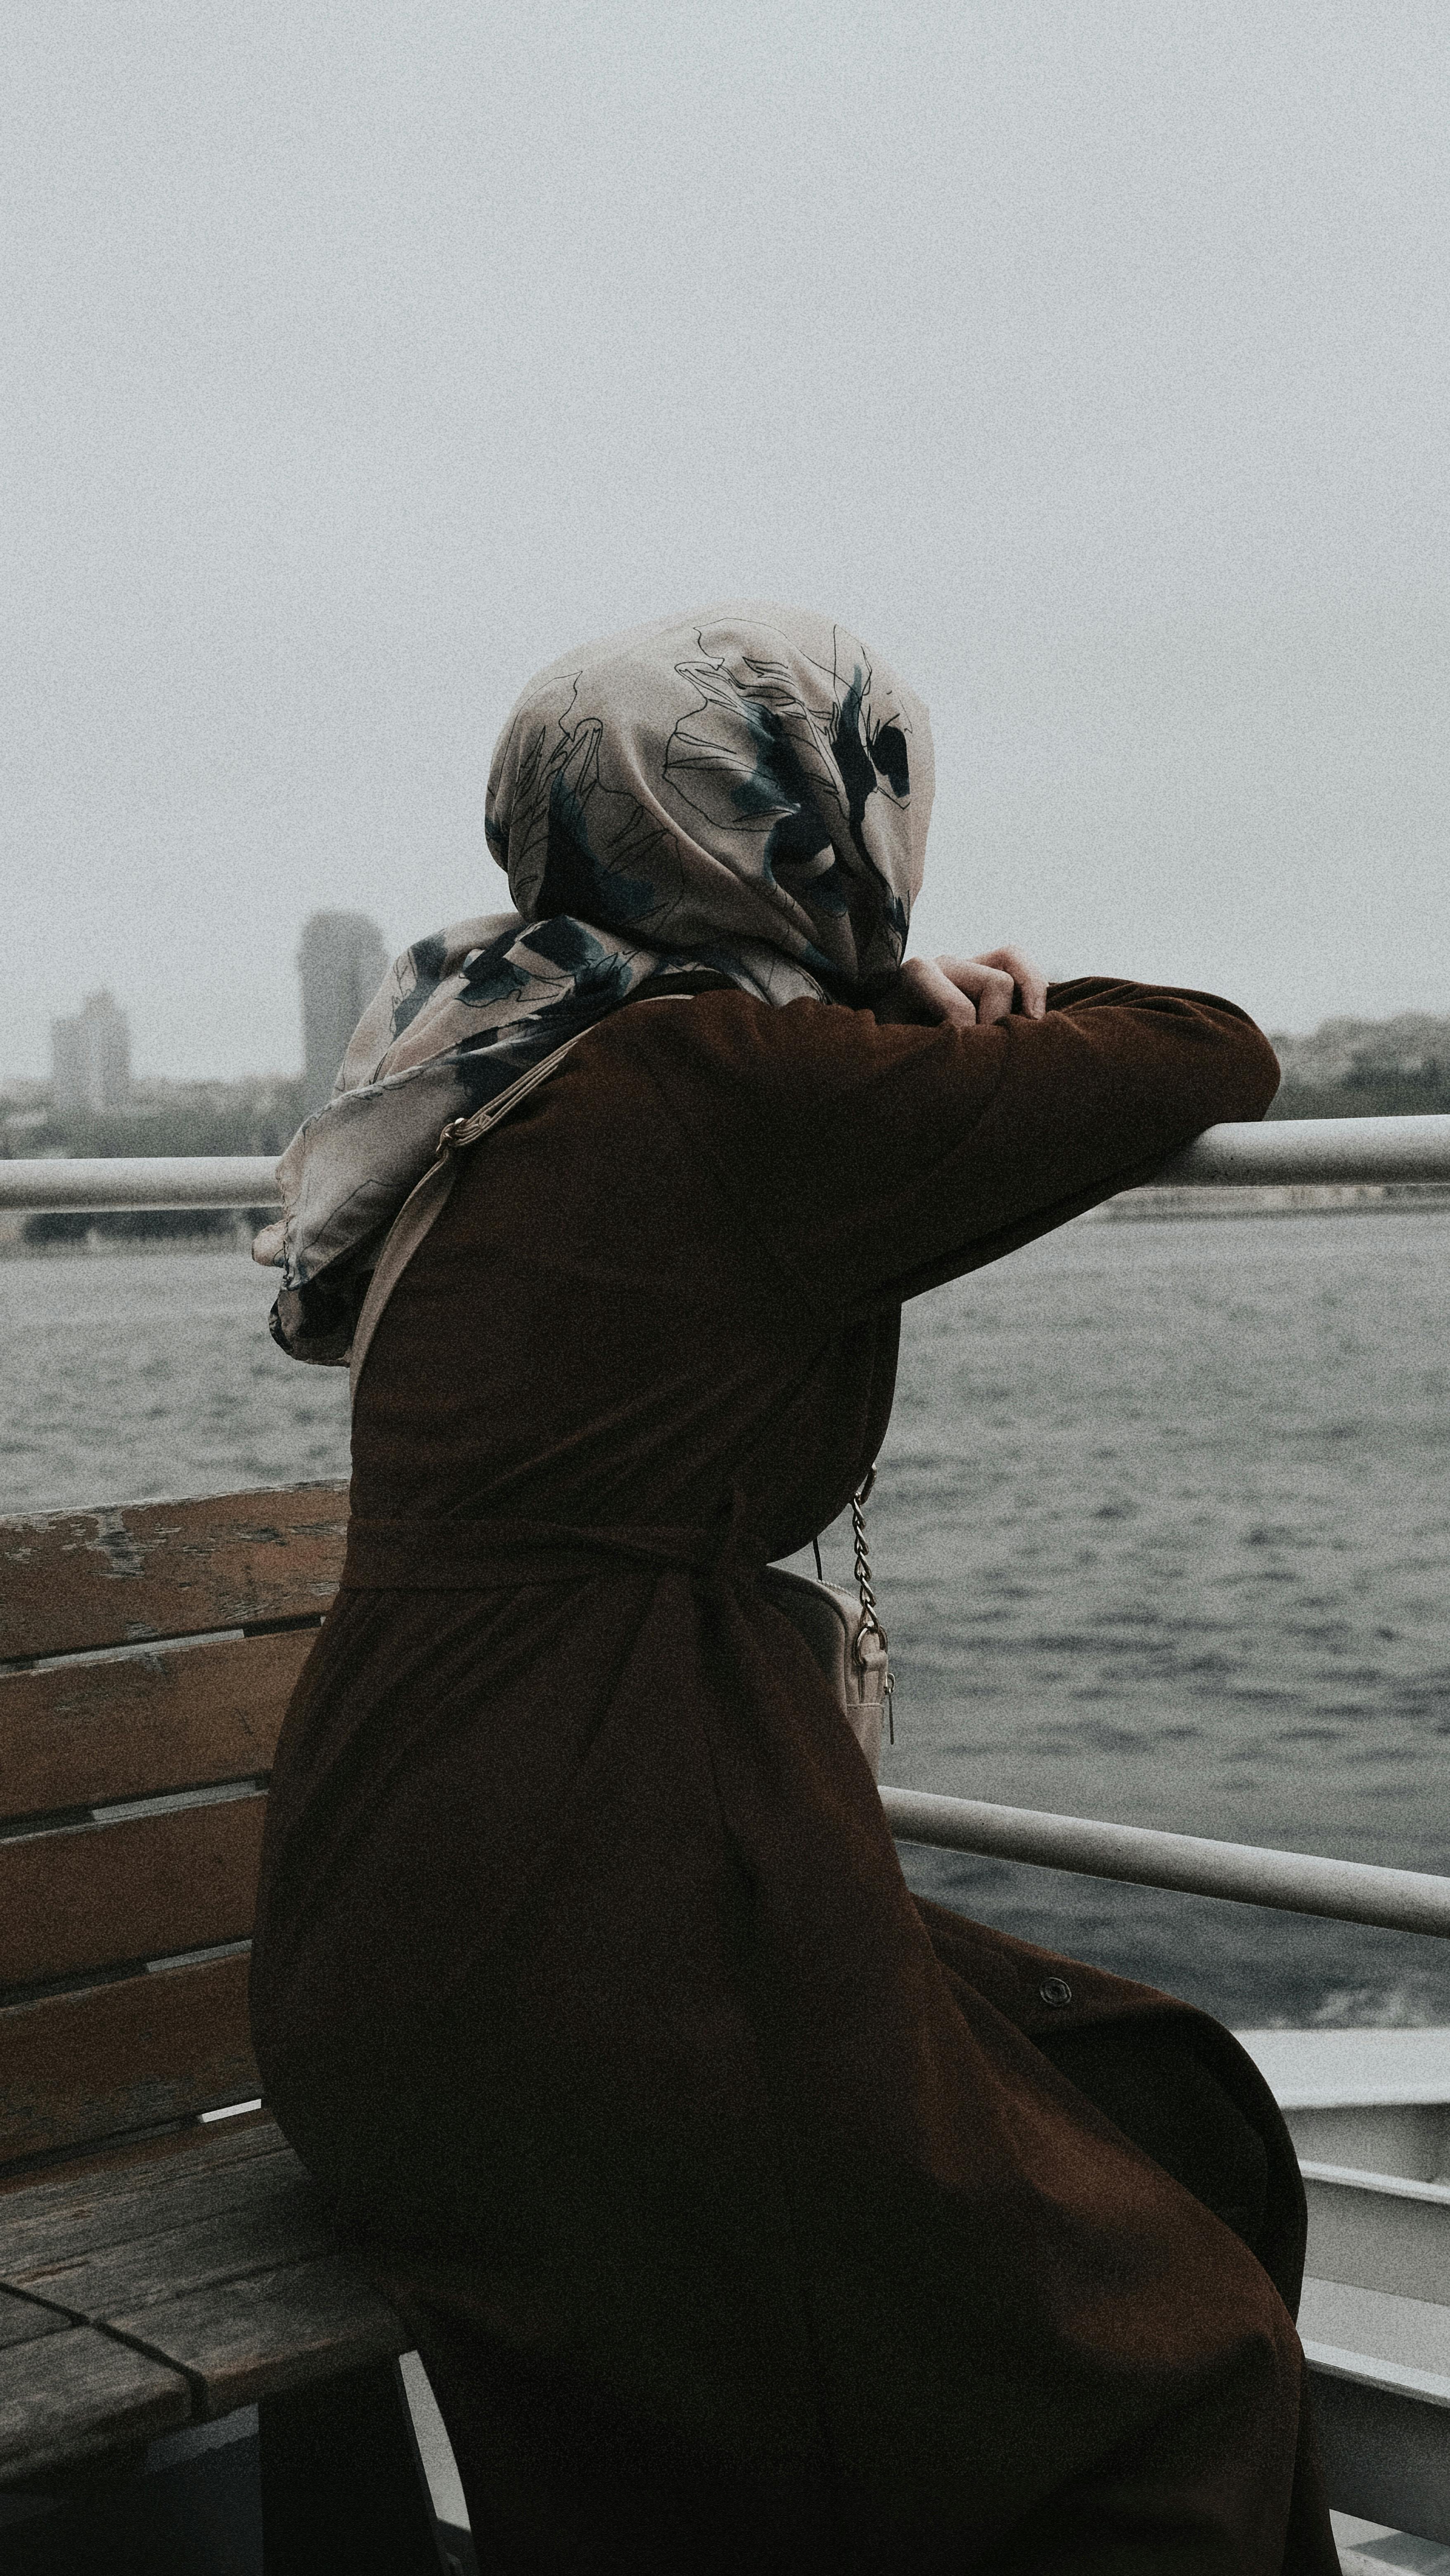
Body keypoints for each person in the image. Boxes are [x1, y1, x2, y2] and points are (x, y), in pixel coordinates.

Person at [250, 605, 1340, 2572]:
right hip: (593, 1885)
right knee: (1163, 2364)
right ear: (823, 828)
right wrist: (932, 996)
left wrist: (849, 1008)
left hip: (398, 1901)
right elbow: (1204, 1047)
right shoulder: (725, 1086)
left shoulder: (508, 1046)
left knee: (1114, 2101)